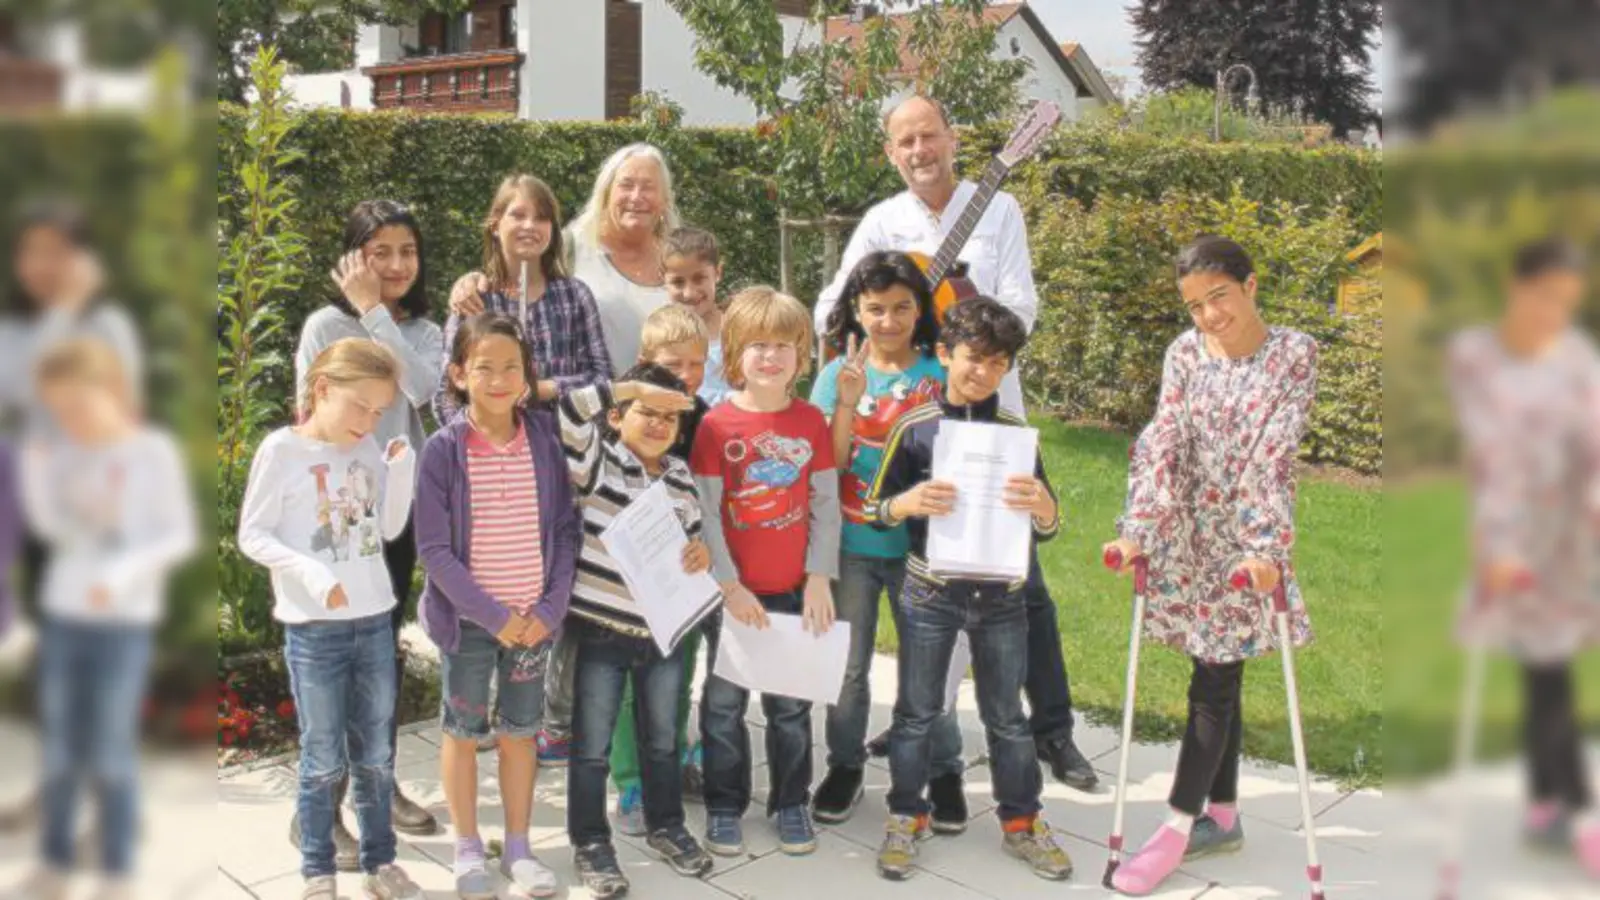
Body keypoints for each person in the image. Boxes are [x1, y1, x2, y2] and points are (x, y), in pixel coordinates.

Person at [812, 95, 1094, 789]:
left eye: (929, 135)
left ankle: (1053, 731)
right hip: (913, 423)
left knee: (1019, 578)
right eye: (904, 141)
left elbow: (1021, 308)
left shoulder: (997, 208)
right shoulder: (882, 221)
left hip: (989, 421)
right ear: (890, 151)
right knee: (927, 580)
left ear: (953, 136)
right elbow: (834, 303)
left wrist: (960, 315)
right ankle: (924, 716)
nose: (919, 150)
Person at [1102, 235, 1318, 896]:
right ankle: (1221, 815)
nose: (1208, 315)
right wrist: (1141, 526)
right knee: (1216, 665)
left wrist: (1261, 547)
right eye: (1195, 304)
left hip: (1246, 542)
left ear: (1251, 286)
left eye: (1218, 296)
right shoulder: (1185, 353)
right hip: (1188, 530)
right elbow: (1163, 435)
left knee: (1215, 679)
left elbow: (1274, 454)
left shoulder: (1294, 353)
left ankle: (1175, 827)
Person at [861, 297, 1072, 882]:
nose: (983, 372)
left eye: (998, 363)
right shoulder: (914, 427)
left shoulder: (1016, 436)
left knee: (1007, 716)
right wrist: (907, 503)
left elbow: (1049, 529)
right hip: (931, 593)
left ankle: (1022, 822)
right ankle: (906, 815)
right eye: (973, 358)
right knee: (916, 713)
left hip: (1003, 596)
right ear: (944, 355)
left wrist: (1045, 506)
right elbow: (876, 509)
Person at [7, 337, 196, 900]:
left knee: (113, 750)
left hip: (123, 625)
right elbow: (53, 529)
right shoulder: (61, 453)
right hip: (65, 620)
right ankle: (55, 862)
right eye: (57, 410)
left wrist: (121, 576)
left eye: (76, 405)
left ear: (110, 389)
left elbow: (176, 535)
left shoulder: (151, 452)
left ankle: (114, 871)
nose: (68, 419)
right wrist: (39, 475)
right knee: (61, 747)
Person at [237, 338, 425, 900]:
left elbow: (387, 531)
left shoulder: (366, 448)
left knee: (376, 756)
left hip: (373, 622)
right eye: (359, 406)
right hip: (314, 631)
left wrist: (402, 472)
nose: (368, 422)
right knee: (322, 757)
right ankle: (318, 871)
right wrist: (312, 575)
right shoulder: (281, 451)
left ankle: (380, 863)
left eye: (378, 412)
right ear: (322, 390)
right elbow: (253, 534)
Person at [293, 200, 444, 854]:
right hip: (330, 518)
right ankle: (316, 810)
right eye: (378, 251)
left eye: (406, 251)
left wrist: (379, 314)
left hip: (393, 515)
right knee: (332, 660)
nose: (394, 264)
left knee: (379, 656)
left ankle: (376, 788)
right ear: (353, 256)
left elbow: (419, 390)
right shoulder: (325, 325)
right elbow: (303, 415)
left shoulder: (424, 332)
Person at [1446, 237, 1600, 875]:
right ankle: (1579, 812)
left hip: (1570, 536)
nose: (1554, 313)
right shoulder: (1475, 357)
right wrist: (1502, 545)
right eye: (1545, 297)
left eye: (1567, 302)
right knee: (1543, 666)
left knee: (1550, 666)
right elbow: (1494, 455)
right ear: (1516, 286)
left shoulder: (1578, 359)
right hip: (1511, 534)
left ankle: (1552, 801)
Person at [416, 314, 581, 900]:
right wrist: (494, 616)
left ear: (527, 376)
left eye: (512, 366)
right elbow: (433, 549)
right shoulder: (443, 450)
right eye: (484, 366)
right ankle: (467, 846)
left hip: (534, 623)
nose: (499, 378)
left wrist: (550, 608)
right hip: (471, 624)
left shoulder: (542, 437)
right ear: (459, 374)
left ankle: (518, 846)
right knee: (463, 731)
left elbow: (565, 527)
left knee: (521, 733)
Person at [807, 251, 966, 830]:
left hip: (922, 551)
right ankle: (845, 764)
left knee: (927, 667)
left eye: (903, 308)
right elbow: (832, 460)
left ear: (921, 309)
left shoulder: (941, 372)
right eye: (875, 309)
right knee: (848, 669)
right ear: (856, 309)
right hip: (852, 546)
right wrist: (847, 401)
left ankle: (945, 769)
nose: (889, 321)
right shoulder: (835, 374)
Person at [556, 364, 717, 897]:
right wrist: (631, 388)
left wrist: (698, 553)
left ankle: (666, 825)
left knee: (663, 739)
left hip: (663, 632)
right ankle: (590, 841)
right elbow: (569, 410)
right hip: (600, 629)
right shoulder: (598, 462)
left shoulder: (678, 475)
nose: (658, 424)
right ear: (619, 414)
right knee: (593, 745)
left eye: (670, 416)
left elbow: (690, 541)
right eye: (647, 411)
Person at [689, 286, 840, 858]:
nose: (770, 357)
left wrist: (820, 578)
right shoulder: (715, 427)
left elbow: (825, 505)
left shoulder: (810, 423)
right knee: (723, 705)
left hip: (794, 593)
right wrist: (729, 587)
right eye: (757, 345)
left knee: (790, 706)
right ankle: (725, 804)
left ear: (802, 357)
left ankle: (791, 800)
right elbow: (706, 515)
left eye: (783, 346)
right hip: (731, 597)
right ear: (733, 354)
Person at [608, 305, 714, 837]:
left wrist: (704, 546)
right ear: (646, 359)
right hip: (626, 579)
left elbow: (710, 496)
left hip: (684, 575)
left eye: (698, 362)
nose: (688, 374)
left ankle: (670, 761)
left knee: (677, 676)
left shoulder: (707, 416)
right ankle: (629, 779)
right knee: (630, 685)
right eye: (675, 362)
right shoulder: (622, 417)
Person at [435, 173, 613, 426]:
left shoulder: (575, 296)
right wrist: (472, 445)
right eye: (518, 215)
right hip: (490, 456)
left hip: (564, 452)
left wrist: (547, 388)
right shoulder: (475, 299)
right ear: (495, 226)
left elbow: (603, 381)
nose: (530, 225)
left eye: (542, 218)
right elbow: (447, 393)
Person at [566, 143, 681, 374]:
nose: (636, 197)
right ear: (606, 193)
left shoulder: (680, 258)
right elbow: (517, 285)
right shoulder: (570, 248)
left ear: (664, 200)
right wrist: (474, 282)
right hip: (584, 403)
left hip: (662, 405)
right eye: (626, 185)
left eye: (648, 187)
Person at [661, 226, 731, 405]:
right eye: (678, 282)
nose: (689, 293)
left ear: (718, 273)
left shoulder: (738, 331)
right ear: (662, 279)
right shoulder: (660, 336)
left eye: (699, 279)